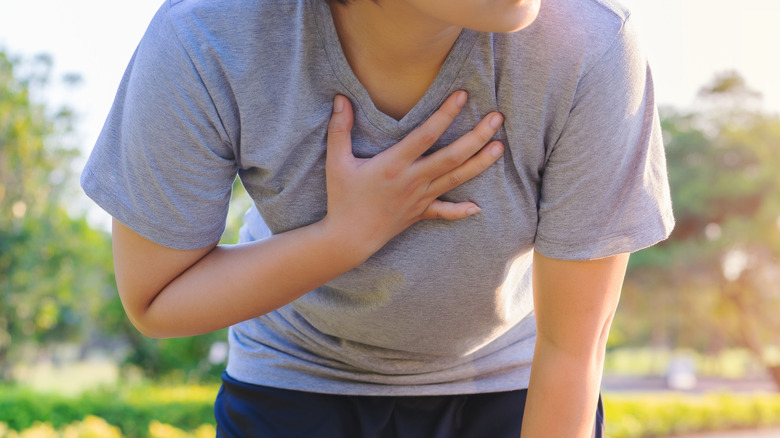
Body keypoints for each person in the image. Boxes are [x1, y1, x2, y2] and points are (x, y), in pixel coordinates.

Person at [81, 0, 675, 436]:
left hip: (511, 384)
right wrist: (344, 237)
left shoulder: (594, 46)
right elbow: (154, 299)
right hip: (295, 379)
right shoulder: (204, 39)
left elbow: (573, 346)